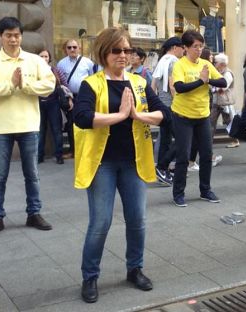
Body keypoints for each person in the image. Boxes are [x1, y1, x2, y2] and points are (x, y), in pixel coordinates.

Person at [73, 27, 170, 303]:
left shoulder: (138, 83)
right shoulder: (92, 83)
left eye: (127, 50)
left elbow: (163, 113)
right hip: (102, 162)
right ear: (104, 52)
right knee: (100, 222)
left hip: (133, 162)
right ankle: (90, 276)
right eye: (117, 50)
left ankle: (135, 269)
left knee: (137, 220)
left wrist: (138, 115)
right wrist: (119, 116)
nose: (123, 55)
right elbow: (81, 117)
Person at [0, 17, 56, 238]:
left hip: (29, 124)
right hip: (1, 127)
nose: (13, 39)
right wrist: (10, 85)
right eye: (9, 35)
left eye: (17, 35)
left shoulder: (34, 60)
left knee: (32, 174)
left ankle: (34, 213)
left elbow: (49, 85)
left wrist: (25, 85)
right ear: (0, 36)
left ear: (22, 36)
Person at [171, 30, 226, 207]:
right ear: (185, 48)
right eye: (195, 46)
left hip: (202, 116)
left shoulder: (205, 64)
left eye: (201, 46)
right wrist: (201, 81)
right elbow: (179, 87)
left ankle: (205, 190)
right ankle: (178, 193)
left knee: (207, 154)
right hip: (183, 116)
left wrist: (207, 80)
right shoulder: (180, 65)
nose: (199, 50)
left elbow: (223, 82)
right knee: (183, 156)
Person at [151, 36, 185, 186]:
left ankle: (163, 171)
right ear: (174, 48)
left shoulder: (162, 61)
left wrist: (155, 103)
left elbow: (153, 84)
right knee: (183, 139)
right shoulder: (173, 62)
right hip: (172, 105)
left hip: (162, 105)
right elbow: (173, 86)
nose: (184, 51)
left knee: (165, 139)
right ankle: (162, 167)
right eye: (182, 47)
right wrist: (180, 104)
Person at [57, 39, 95, 158]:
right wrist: (67, 98)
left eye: (74, 47)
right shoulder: (61, 64)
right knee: (71, 125)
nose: (72, 49)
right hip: (71, 98)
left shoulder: (88, 63)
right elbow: (60, 84)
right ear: (65, 49)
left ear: (79, 48)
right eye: (69, 47)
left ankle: (88, 150)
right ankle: (74, 151)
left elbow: (93, 79)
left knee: (88, 122)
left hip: (85, 98)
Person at [38, 49, 68, 165]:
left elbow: (64, 85)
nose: (44, 58)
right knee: (40, 131)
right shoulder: (34, 71)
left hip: (54, 102)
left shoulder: (55, 70)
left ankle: (59, 155)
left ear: (49, 58)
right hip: (39, 102)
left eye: (46, 56)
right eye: (41, 56)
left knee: (57, 130)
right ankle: (40, 156)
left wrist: (68, 98)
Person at [211, 53, 238, 148]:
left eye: (216, 62)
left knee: (228, 121)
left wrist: (213, 89)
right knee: (212, 122)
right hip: (218, 101)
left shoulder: (227, 73)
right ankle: (208, 142)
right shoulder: (219, 72)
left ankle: (236, 139)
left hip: (224, 102)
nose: (214, 64)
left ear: (222, 63)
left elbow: (223, 86)